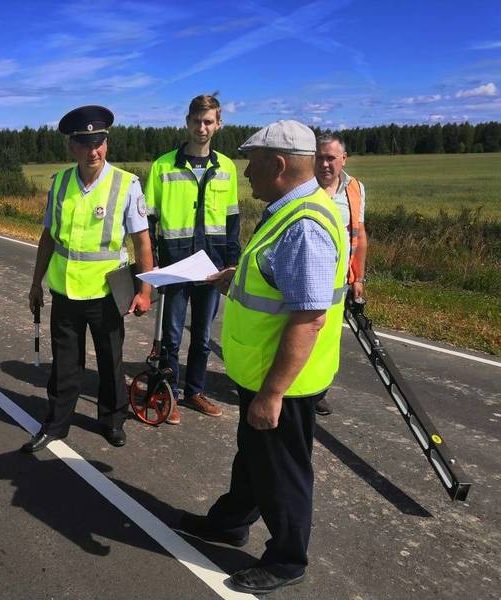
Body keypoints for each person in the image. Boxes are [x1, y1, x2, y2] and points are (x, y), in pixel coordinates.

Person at [179, 120, 347, 595]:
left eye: (251, 162)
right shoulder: (290, 210)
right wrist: (241, 273)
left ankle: (287, 559)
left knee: (282, 473)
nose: (245, 171)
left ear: (278, 165)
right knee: (253, 460)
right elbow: (282, 283)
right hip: (263, 372)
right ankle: (229, 523)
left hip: (285, 383)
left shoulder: (305, 225)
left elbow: (308, 318)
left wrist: (272, 393)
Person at [22, 105, 154, 453]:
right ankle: (57, 423)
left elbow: (142, 242)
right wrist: (36, 283)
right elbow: (48, 236)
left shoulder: (127, 184)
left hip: (107, 292)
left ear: (106, 143)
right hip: (65, 289)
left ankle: (112, 420)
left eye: (99, 142)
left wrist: (145, 291)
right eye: (85, 143)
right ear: (72, 147)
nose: (94, 151)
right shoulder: (61, 182)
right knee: (65, 364)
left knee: (111, 360)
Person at [145, 93, 240, 424]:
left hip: (212, 267)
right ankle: (167, 393)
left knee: (201, 337)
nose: (202, 127)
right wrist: (151, 262)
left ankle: (195, 391)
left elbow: (232, 222)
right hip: (175, 265)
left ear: (218, 124)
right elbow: (149, 220)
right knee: (170, 335)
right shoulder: (163, 165)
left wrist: (232, 263)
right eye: (197, 121)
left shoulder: (226, 167)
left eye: (208, 121)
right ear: (187, 122)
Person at [313, 132, 368, 415]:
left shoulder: (355, 189)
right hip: (307, 276)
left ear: (343, 159)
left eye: (330, 158)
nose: (324, 164)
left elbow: (359, 235)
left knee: (329, 339)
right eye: (319, 158)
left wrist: (358, 278)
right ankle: (291, 389)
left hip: (338, 282)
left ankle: (318, 391)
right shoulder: (303, 187)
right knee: (300, 333)